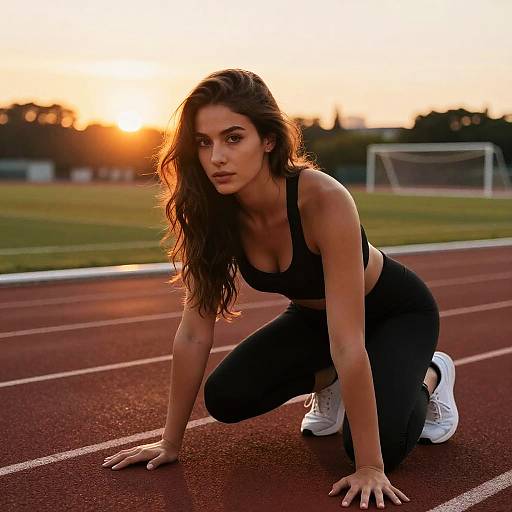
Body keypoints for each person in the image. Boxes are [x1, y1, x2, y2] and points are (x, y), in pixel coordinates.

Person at [102, 69, 459, 509]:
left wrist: (371, 467)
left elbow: (348, 340)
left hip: (393, 313)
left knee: (381, 445)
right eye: (203, 142)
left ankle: (432, 374)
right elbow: (194, 332)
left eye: (233, 138)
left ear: (268, 140)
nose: (216, 157)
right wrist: (169, 443)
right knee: (225, 397)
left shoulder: (322, 198)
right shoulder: (210, 212)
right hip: (315, 320)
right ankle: (329, 380)